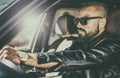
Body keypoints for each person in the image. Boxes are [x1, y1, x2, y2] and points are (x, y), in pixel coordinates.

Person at [0, 1, 120, 78]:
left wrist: (25, 58)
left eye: (84, 21)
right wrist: (25, 68)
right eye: (76, 21)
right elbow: (63, 58)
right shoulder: (81, 43)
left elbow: (78, 57)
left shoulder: (114, 46)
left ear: (102, 22)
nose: (78, 25)